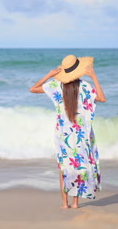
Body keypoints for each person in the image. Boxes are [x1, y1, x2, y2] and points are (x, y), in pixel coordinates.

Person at [29, 55, 106, 209]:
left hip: (63, 135)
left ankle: (65, 204)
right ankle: (75, 203)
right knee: (77, 167)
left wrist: (49, 75)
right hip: (81, 135)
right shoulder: (84, 87)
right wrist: (93, 76)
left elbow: (33, 89)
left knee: (64, 168)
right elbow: (102, 98)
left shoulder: (57, 86)